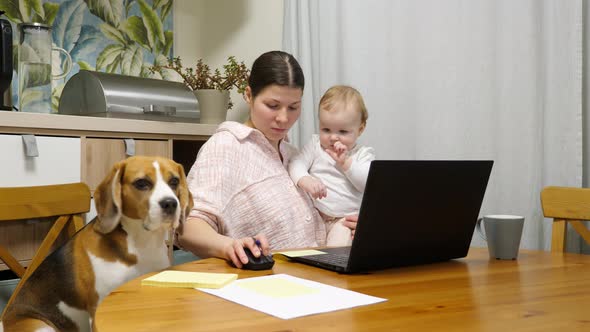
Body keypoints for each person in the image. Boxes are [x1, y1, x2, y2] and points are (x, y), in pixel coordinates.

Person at [177, 51, 357, 268]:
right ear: (248, 95)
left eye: (293, 107)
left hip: (319, 276)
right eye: (273, 106)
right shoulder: (225, 147)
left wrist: (349, 225)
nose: (283, 118)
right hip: (267, 285)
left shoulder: (293, 154)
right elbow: (189, 228)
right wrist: (229, 246)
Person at [289, 85, 375, 246]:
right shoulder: (316, 146)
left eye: (343, 132)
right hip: (314, 216)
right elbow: (296, 163)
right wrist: (305, 179)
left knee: (335, 251)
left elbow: (368, 183)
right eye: (326, 129)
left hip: (343, 220)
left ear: (360, 129)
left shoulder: (362, 155)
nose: (334, 137)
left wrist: (345, 163)